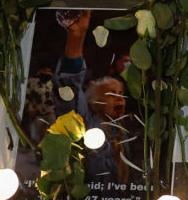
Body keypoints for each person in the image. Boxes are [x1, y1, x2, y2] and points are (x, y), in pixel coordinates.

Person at [52, 10, 138, 186]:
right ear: (94, 100)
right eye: (111, 94)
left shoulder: (124, 134)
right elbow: (68, 88)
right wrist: (76, 36)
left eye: (121, 95)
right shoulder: (83, 123)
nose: (120, 99)